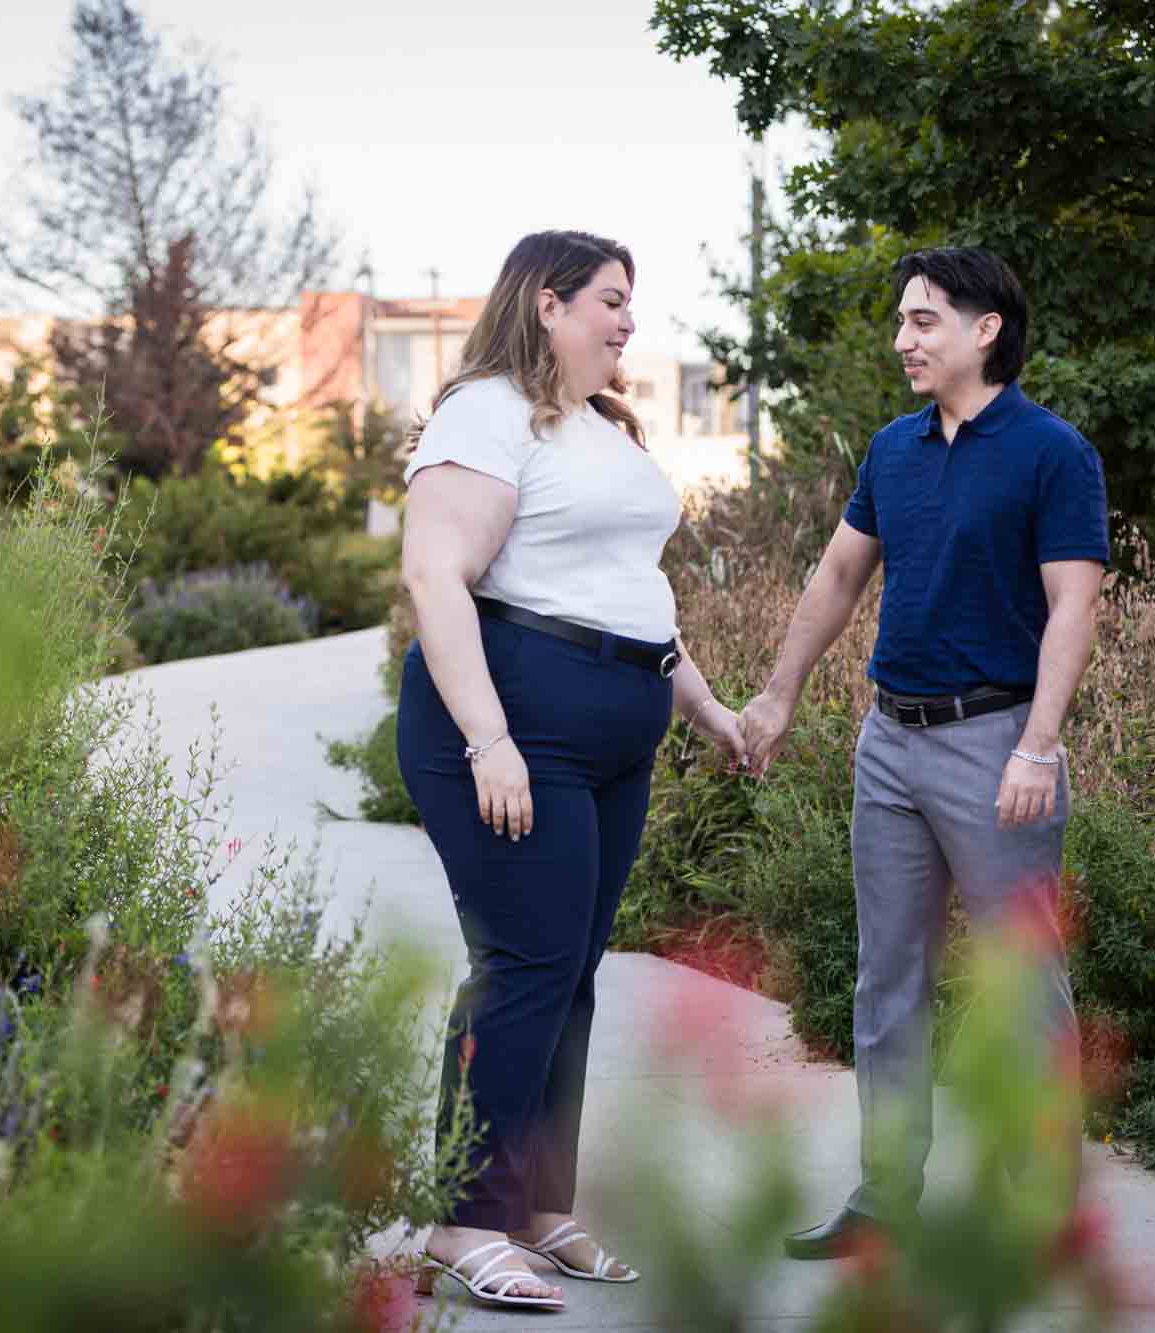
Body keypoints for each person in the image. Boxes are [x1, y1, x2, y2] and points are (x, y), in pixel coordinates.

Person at [397, 230, 747, 1310]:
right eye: (607, 299)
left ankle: (539, 1209)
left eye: (628, 303)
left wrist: (708, 711)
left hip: (612, 727)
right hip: (516, 721)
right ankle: (463, 1219)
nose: (626, 320)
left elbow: (631, 597)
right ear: (545, 305)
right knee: (526, 961)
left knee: (571, 970)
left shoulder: (600, 428)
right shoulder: (485, 412)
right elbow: (436, 574)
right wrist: (489, 740)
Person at [738, 247, 1109, 1259]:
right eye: (901, 322)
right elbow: (836, 574)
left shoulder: (1051, 453)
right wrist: (777, 693)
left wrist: (1038, 744)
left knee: (1017, 985)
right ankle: (885, 1198)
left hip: (997, 742)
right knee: (884, 979)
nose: (901, 340)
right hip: (888, 742)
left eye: (920, 321)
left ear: (984, 328)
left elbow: (1072, 603)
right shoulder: (892, 450)